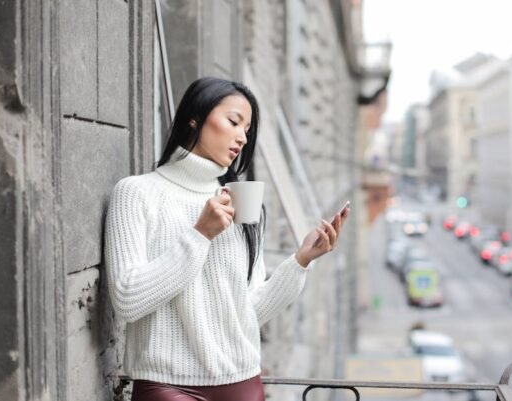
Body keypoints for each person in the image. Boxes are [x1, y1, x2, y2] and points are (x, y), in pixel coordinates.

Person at [104, 77, 349, 401]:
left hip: (242, 382)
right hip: (165, 385)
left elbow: (246, 310)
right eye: (234, 122)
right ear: (195, 116)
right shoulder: (137, 193)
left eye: (247, 129)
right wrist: (200, 235)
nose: (241, 137)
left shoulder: (242, 202)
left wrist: (301, 260)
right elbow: (127, 299)